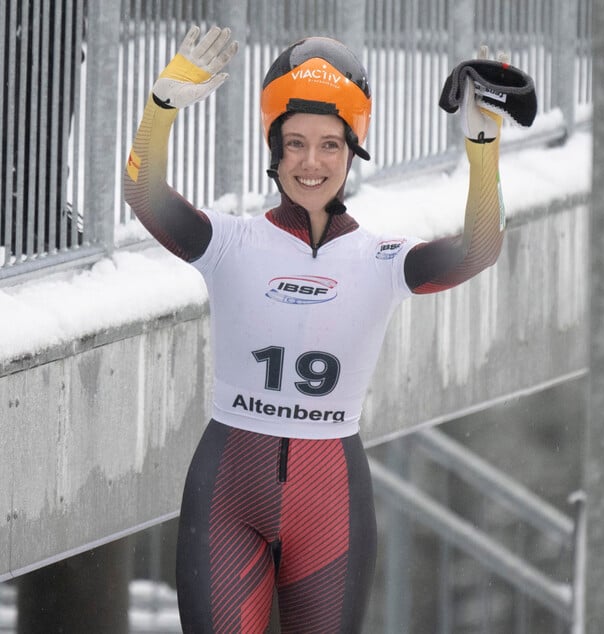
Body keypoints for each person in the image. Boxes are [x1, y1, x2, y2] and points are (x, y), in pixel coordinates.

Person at [122, 25, 535, 632]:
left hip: (331, 502)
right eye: (293, 144)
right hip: (228, 494)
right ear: (273, 150)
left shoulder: (380, 260)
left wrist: (481, 143)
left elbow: (480, 249)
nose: (310, 163)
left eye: (329, 146)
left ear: (352, 151)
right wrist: (159, 109)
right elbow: (143, 191)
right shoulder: (231, 242)